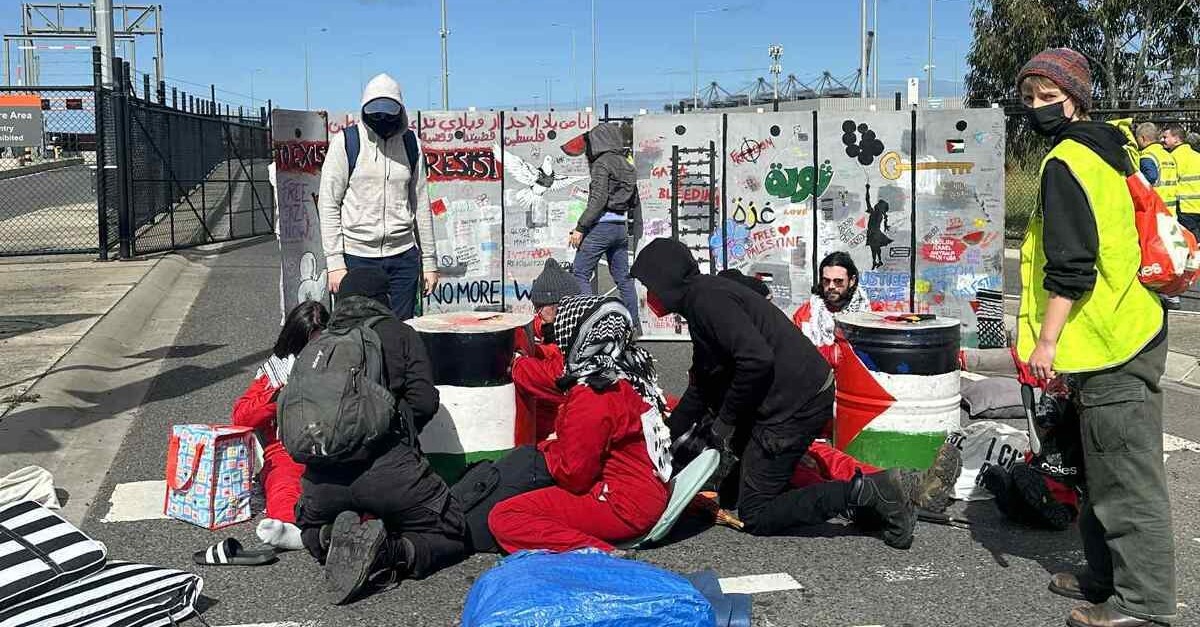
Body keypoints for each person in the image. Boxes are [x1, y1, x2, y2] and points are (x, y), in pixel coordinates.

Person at [1017, 48, 1173, 627]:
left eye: (1045, 96)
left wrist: (1046, 343)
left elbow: (1071, 266)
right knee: (1096, 466)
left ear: (1075, 98)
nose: (1034, 108)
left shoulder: (1066, 161)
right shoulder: (1110, 149)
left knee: (1127, 478)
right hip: (1116, 333)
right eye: (1028, 97)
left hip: (1113, 340)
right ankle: (1105, 575)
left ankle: (1145, 603)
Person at [631, 238, 915, 549]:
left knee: (756, 513)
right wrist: (663, 442)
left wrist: (724, 422)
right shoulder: (702, 299)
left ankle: (868, 493)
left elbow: (756, 360)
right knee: (733, 491)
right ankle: (868, 505)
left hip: (795, 405)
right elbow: (703, 385)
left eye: (650, 285)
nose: (649, 295)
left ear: (665, 279)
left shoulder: (706, 301)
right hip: (793, 396)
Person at [293, 267, 466, 605]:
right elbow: (424, 401)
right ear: (382, 299)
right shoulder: (399, 333)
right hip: (388, 473)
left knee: (308, 530)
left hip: (323, 481)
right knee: (454, 528)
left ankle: (328, 536)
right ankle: (392, 552)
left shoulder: (321, 342)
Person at [488, 295, 673, 553]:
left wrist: (547, 451)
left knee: (505, 516)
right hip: (648, 487)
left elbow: (574, 475)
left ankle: (601, 556)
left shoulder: (594, 392)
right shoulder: (630, 369)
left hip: (624, 503)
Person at [318, 73, 438, 321]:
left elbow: (421, 204)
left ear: (400, 111)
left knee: (400, 332)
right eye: (376, 111)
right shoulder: (346, 143)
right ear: (364, 109)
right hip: (357, 257)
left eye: (388, 111)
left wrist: (429, 261)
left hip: (403, 259)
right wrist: (335, 264)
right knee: (358, 333)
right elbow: (329, 203)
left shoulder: (411, 144)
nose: (381, 118)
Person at [231, 300, 328, 551]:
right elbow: (241, 417)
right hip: (286, 449)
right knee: (284, 484)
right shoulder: (276, 371)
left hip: (332, 444)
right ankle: (289, 527)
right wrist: (277, 397)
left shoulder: (340, 361)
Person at [569, 123, 641, 331]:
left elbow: (598, 199)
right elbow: (634, 200)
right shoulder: (628, 165)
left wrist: (581, 227)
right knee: (623, 278)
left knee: (580, 273)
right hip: (620, 228)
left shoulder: (601, 163)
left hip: (601, 226)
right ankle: (633, 325)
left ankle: (593, 325)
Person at [513, 258, 581, 442]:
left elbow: (557, 377)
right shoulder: (568, 324)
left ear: (554, 307)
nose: (537, 314)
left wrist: (517, 363)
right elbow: (540, 325)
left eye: (538, 308)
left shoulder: (578, 343)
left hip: (567, 425)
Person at [792, 251, 882, 364]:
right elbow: (794, 351)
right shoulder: (805, 314)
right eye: (826, 281)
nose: (831, 286)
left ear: (852, 281)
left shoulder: (872, 312)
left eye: (838, 281)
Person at [1163, 123, 1200, 239]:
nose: (1162, 140)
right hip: (1197, 206)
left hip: (1185, 208)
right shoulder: (1196, 155)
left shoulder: (1172, 157)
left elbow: (1170, 183)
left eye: (1165, 137)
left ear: (1176, 139)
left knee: (1190, 244)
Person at [864, 183, 892, 270]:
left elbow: (867, 200)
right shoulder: (879, 214)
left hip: (874, 233)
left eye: (879, 204)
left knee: (874, 248)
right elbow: (868, 201)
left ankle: (876, 261)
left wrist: (867, 189)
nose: (876, 204)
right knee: (875, 248)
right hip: (874, 233)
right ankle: (877, 261)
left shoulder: (875, 213)